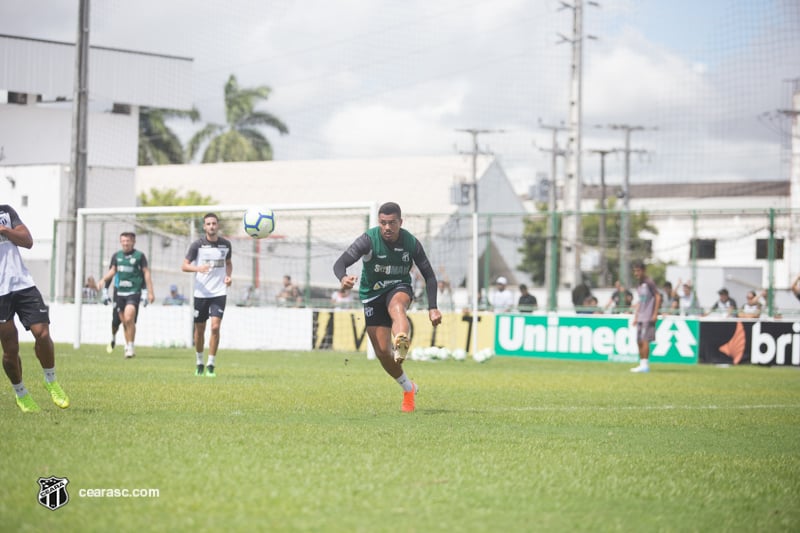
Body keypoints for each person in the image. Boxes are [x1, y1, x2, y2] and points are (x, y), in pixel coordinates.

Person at [333, 202, 441, 413]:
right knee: (382, 353)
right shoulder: (368, 240)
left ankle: (401, 338)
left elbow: (429, 275)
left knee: (397, 306)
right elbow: (340, 263)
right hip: (371, 293)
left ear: (401, 222)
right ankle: (408, 388)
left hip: (398, 286)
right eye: (383, 223)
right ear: (379, 223)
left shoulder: (411, 242)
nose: (387, 228)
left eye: (392, 223)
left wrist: (433, 307)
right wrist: (343, 277)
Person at [0, 204, 69, 412]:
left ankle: (51, 380)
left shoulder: (5, 212)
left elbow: (27, 241)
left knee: (43, 333)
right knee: (10, 349)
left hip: (24, 285)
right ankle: (21, 394)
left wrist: (4, 230)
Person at [182, 213, 232, 377]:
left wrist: (228, 276)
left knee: (215, 327)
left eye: (214, 223)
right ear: (204, 227)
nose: (211, 226)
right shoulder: (197, 245)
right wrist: (198, 269)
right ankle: (199, 362)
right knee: (199, 330)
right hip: (201, 293)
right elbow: (184, 266)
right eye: (208, 224)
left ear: (218, 226)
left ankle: (211, 364)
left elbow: (228, 263)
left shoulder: (226, 245)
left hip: (219, 292)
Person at [98, 232, 155, 358]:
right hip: (119, 294)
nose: (125, 243)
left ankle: (130, 347)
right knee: (120, 322)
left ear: (133, 242)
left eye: (128, 241)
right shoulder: (116, 256)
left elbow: (146, 273)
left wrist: (150, 291)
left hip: (134, 292)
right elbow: (112, 271)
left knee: (129, 318)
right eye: (123, 241)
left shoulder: (139, 256)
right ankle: (114, 338)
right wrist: (103, 281)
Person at [630, 260, 661, 373]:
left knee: (645, 340)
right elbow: (640, 301)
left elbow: (657, 296)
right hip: (641, 315)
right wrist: (636, 316)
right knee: (638, 340)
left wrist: (655, 313)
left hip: (648, 315)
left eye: (638, 271)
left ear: (643, 271)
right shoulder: (639, 284)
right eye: (635, 271)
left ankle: (645, 365)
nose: (636, 273)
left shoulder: (649, 282)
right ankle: (641, 363)